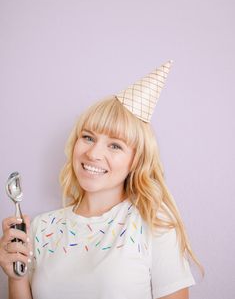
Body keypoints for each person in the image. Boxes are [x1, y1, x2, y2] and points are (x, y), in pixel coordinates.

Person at [0, 62, 202, 299]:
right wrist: (16, 276)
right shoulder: (40, 228)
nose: (93, 153)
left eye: (115, 145)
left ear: (136, 161)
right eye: (87, 137)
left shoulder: (154, 225)